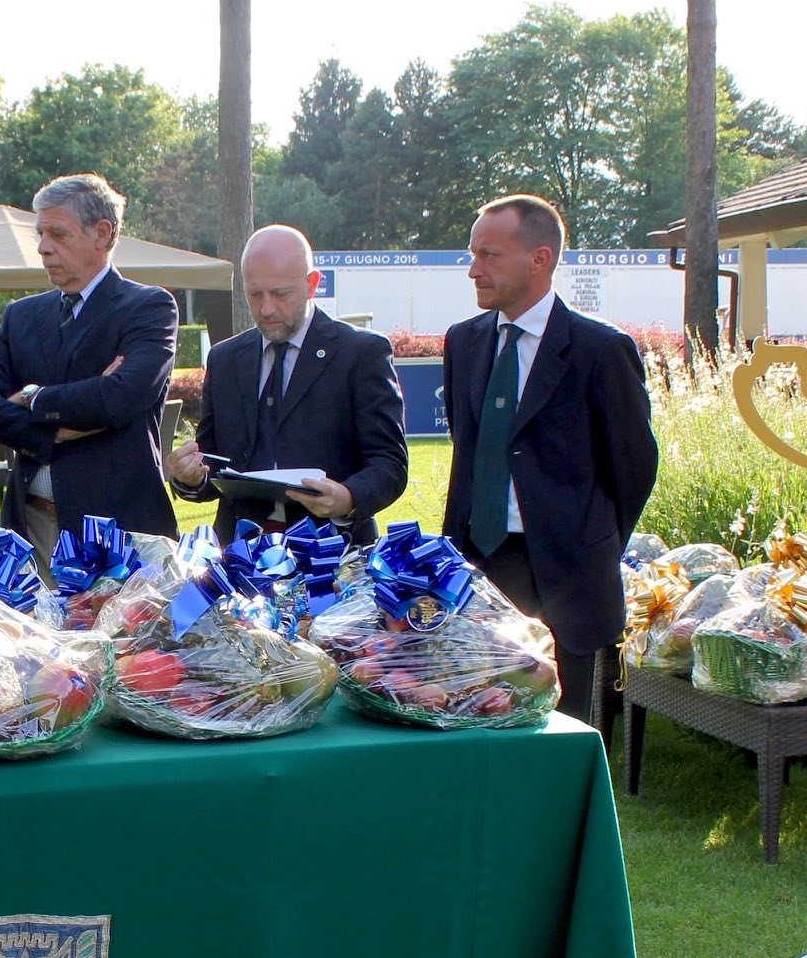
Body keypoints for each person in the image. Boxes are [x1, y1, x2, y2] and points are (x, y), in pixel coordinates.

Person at [439, 194, 659, 719]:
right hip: (478, 568)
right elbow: (467, 453)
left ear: (539, 259)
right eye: (473, 254)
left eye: (489, 256)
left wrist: (591, 542)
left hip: (567, 579)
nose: (474, 270)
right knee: (475, 718)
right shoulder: (464, 342)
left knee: (565, 730)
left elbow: (632, 467)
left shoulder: (599, 350)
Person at [0, 173, 179, 556]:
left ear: (101, 233)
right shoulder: (21, 316)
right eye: (40, 234)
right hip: (28, 532)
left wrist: (29, 398)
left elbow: (118, 397)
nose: (43, 248)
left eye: (58, 234)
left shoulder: (148, 308)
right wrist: (57, 430)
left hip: (117, 537)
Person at [165, 223, 409, 543]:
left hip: (333, 554)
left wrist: (349, 498)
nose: (266, 309)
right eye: (255, 295)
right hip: (239, 557)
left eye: (281, 294)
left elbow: (390, 463)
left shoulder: (362, 353)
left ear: (312, 284)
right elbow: (211, 464)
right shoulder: (224, 359)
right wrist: (189, 478)